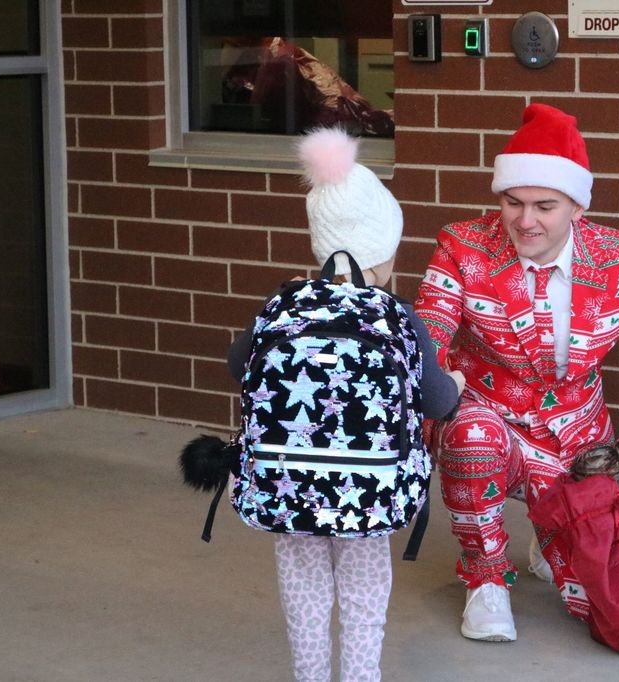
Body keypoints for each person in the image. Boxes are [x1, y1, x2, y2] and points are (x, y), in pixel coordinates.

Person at [413, 103, 619, 642]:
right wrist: (431, 399)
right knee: (473, 435)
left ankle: (549, 530)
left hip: (577, 443)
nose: (525, 220)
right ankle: (485, 579)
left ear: (577, 206)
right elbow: (427, 339)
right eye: (513, 201)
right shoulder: (462, 246)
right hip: (488, 422)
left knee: (600, 608)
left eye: (545, 206)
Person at [227, 127, 464, 681]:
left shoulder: (285, 304)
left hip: (288, 485)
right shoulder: (397, 316)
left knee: (304, 595)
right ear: (384, 255)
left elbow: (238, 367)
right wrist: (453, 380)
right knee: (363, 602)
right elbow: (435, 400)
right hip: (369, 491)